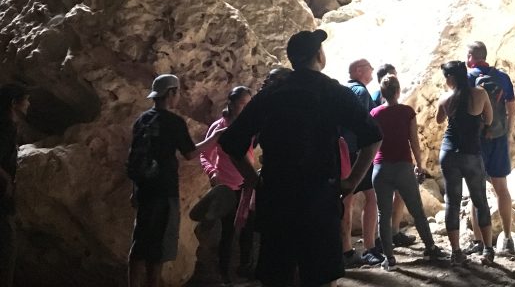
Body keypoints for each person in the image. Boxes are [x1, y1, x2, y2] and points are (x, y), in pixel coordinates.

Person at [219, 30, 383, 287]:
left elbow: (231, 142)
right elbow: (372, 136)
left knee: (277, 275)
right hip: (318, 197)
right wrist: (351, 181)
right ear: (319, 54)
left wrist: (255, 180)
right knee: (320, 276)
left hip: (276, 198)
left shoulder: (272, 93)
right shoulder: (331, 90)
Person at [128, 75, 225, 287]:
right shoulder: (173, 122)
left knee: (139, 244)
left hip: (144, 191)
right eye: (177, 92)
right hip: (164, 191)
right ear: (171, 93)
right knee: (158, 249)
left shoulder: (142, 121)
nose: (178, 96)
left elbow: (136, 157)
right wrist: (214, 137)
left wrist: (135, 190)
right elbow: (190, 153)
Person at [369, 74, 444, 270]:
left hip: (381, 168)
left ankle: (389, 258)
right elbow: (414, 141)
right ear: (397, 91)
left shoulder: (374, 114)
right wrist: (419, 164)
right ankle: (430, 247)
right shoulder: (407, 112)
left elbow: (372, 143)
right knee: (417, 210)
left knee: (383, 215)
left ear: (383, 93)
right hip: (403, 166)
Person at [435, 60, 494, 265]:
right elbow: (489, 119)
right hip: (471, 154)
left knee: (452, 202)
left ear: (450, 78)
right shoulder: (480, 94)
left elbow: (439, 121)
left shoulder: (445, 98)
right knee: (480, 201)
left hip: (449, 153)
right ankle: (487, 250)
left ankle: (456, 252)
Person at [200, 86, 256, 285]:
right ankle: (225, 275)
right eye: (243, 104)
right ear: (231, 104)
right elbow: (204, 154)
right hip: (227, 186)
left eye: (249, 104)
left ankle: (245, 269)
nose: (246, 108)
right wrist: (212, 173)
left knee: (248, 228)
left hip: (246, 184)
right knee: (228, 231)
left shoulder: (249, 125)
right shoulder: (220, 126)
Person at [465, 41, 515, 254]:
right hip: (498, 137)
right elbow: (511, 110)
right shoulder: (503, 77)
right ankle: (508, 237)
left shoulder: (468, 78)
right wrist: (506, 134)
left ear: (470, 57)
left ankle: (479, 242)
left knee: (475, 191)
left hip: (477, 141)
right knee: (501, 189)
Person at [341, 58, 381, 267]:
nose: (372, 71)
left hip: (341, 152)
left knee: (345, 202)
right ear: (358, 71)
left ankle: (346, 248)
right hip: (355, 153)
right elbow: (363, 126)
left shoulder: (342, 90)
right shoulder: (361, 92)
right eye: (369, 68)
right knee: (370, 197)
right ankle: (369, 246)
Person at [371, 63, 413, 248]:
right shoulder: (376, 101)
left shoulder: (381, 101)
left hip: (385, 159)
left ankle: (392, 233)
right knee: (385, 204)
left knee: (394, 199)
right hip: (389, 158)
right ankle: (385, 238)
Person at [0, 84, 29, 287]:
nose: (29, 103)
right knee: (7, 250)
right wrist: (7, 181)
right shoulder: (6, 127)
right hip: (2, 198)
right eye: (26, 99)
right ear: (13, 103)